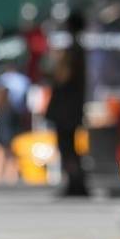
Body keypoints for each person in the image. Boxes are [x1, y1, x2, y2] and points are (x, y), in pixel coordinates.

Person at [46, 12, 89, 196]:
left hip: (65, 109)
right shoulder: (78, 50)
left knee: (67, 147)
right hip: (71, 107)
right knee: (70, 146)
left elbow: (62, 77)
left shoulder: (71, 52)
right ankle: (75, 182)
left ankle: (75, 183)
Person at [0, 62, 30, 185]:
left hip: (5, 116)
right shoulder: (23, 80)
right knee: (10, 147)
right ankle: (11, 175)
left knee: (0, 147)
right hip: (16, 116)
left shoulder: (3, 80)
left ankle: (0, 174)